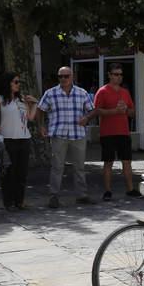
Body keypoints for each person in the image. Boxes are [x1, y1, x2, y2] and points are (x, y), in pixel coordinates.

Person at [36, 66, 98, 208]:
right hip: (59, 134)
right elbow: (40, 109)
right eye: (60, 76)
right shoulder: (50, 93)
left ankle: (82, 195)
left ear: (72, 77)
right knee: (57, 167)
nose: (63, 79)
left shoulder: (82, 93)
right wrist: (41, 125)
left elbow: (92, 110)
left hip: (78, 134)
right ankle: (53, 196)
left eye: (66, 76)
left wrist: (87, 118)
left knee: (80, 167)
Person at [94, 63, 140, 201]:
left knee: (127, 161)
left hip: (123, 132)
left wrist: (126, 109)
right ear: (109, 75)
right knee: (108, 162)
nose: (118, 77)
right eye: (115, 74)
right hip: (107, 133)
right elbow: (97, 110)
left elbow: (133, 113)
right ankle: (108, 191)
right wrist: (114, 111)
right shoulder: (102, 91)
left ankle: (130, 189)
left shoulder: (125, 92)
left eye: (120, 74)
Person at [0, 72, 38, 210]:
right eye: (16, 82)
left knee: (22, 173)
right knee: (8, 173)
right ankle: (8, 202)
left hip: (24, 139)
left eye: (19, 82)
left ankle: (20, 201)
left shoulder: (22, 100)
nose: (18, 84)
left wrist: (34, 103)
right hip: (7, 139)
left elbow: (30, 118)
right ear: (8, 83)